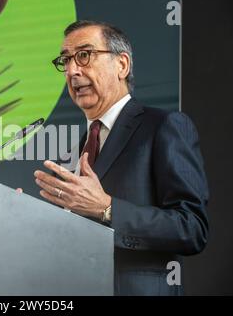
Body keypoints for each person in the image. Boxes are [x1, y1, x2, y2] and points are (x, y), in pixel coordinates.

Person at [33, 20, 209, 295]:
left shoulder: (164, 126)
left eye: (84, 55)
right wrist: (24, 221)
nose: (71, 70)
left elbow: (191, 228)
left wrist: (108, 208)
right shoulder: (76, 152)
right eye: (65, 60)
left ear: (122, 65)